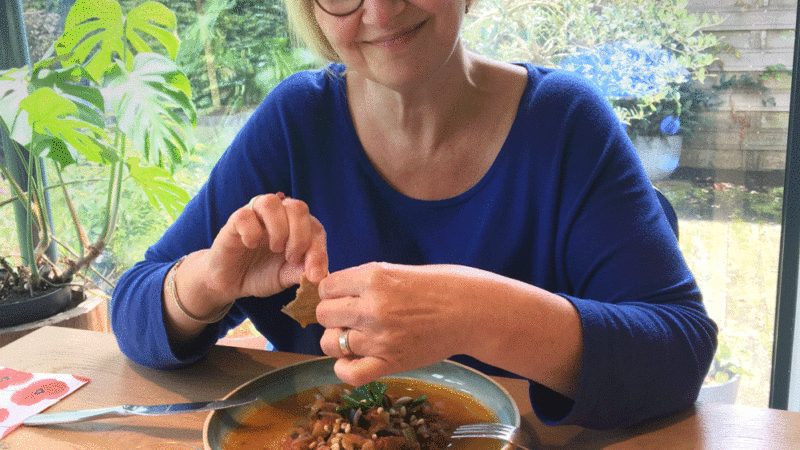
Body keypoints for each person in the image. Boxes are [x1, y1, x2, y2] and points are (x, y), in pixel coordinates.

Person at [109, 0, 718, 430]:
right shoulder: (297, 124)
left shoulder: (564, 126)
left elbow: (678, 353)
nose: (379, 10)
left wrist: (477, 315)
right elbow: (133, 312)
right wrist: (206, 282)